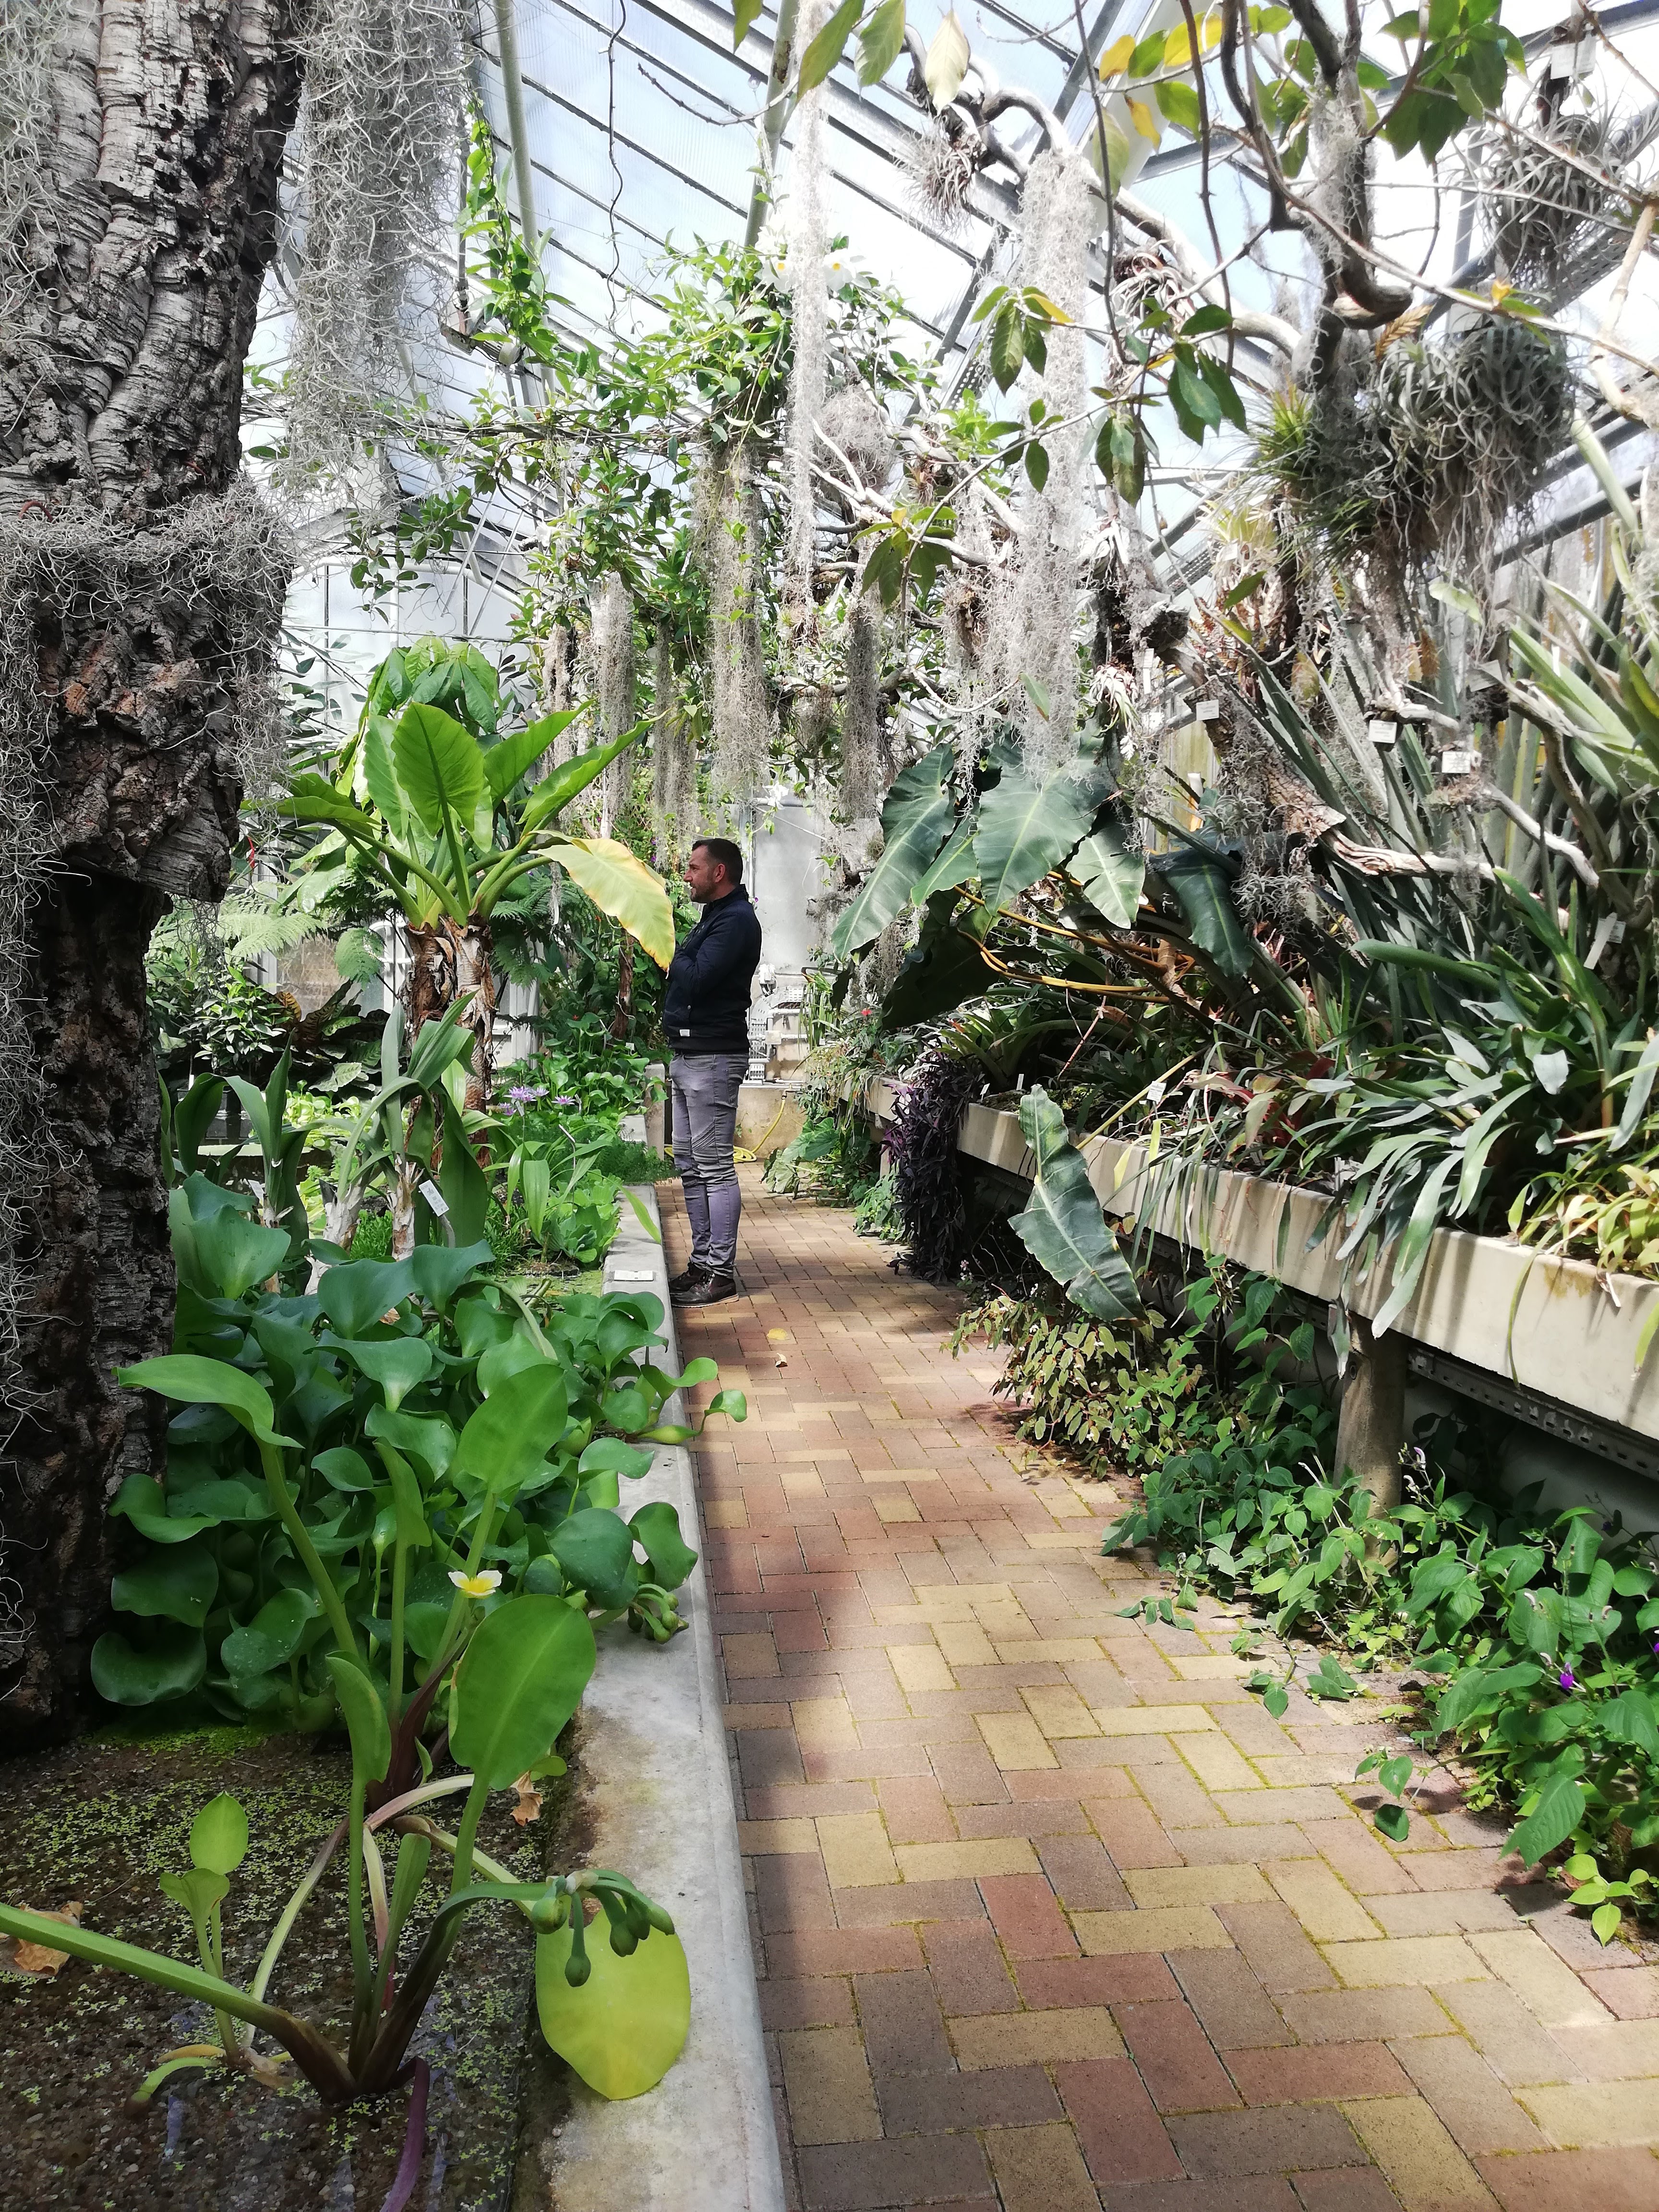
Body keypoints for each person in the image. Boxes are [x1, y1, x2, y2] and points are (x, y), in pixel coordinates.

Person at [663, 835, 762, 1306]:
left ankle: (720, 1273)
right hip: (690, 1055)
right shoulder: (714, 917)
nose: (687, 876)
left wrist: (669, 948)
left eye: (694, 868)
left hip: (714, 1058)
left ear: (719, 872)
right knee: (689, 1163)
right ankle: (702, 1264)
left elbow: (698, 978)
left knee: (715, 1166)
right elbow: (688, 975)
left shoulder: (737, 920)